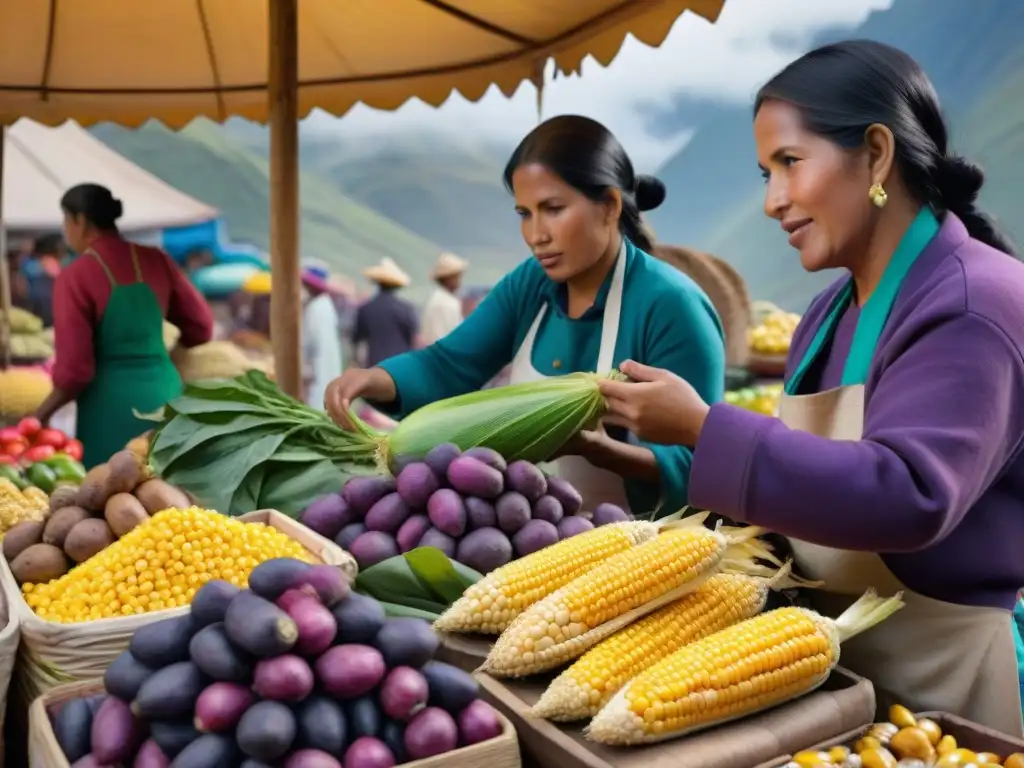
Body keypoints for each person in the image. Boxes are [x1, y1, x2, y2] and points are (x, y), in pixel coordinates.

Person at [596, 41, 1024, 734]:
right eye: (766, 173)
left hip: (950, 693)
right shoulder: (828, 314)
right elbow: (804, 491)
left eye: (790, 164)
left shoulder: (975, 303)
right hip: (830, 678)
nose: (772, 201)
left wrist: (706, 431)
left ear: (877, 155)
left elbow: (909, 495)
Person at [326, 115, 725, 516]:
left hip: (634, 550)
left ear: (609, 206)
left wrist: (603, 451)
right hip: (528, 539)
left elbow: (704, 464)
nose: (537, 235)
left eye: (553, 209)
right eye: (524, 214)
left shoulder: (672, 306)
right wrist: (374, 379)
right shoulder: (531, 284)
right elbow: (450, 363)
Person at [35, 183, 214, 468]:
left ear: (80, 220)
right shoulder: (157, 260)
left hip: (110, 408)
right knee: (170, 498)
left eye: (65, 221)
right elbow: (201, 328)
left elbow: (75, 372)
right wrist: (160, 357)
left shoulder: (75, 276)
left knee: (111, 499)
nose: (65, 231)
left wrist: (39, 415)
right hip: (164, 395)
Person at [352, 258, 419, 367]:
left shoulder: (366, 309)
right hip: (399, 367)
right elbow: (412, 340)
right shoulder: (406, 309)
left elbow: (357, 340)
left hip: (374, 366)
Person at [301, 265, 344, 410]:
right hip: (323, 364)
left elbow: (309, 342)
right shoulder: (324, 305)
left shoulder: (316, 308)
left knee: (317, 398)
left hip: (317, 365)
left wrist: (305, 366)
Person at [421, 252, 468, 345]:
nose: (459, 280)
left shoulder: (442, 299)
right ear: (448, 278)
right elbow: (440, 336)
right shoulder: (443, 303)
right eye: (457, 277)